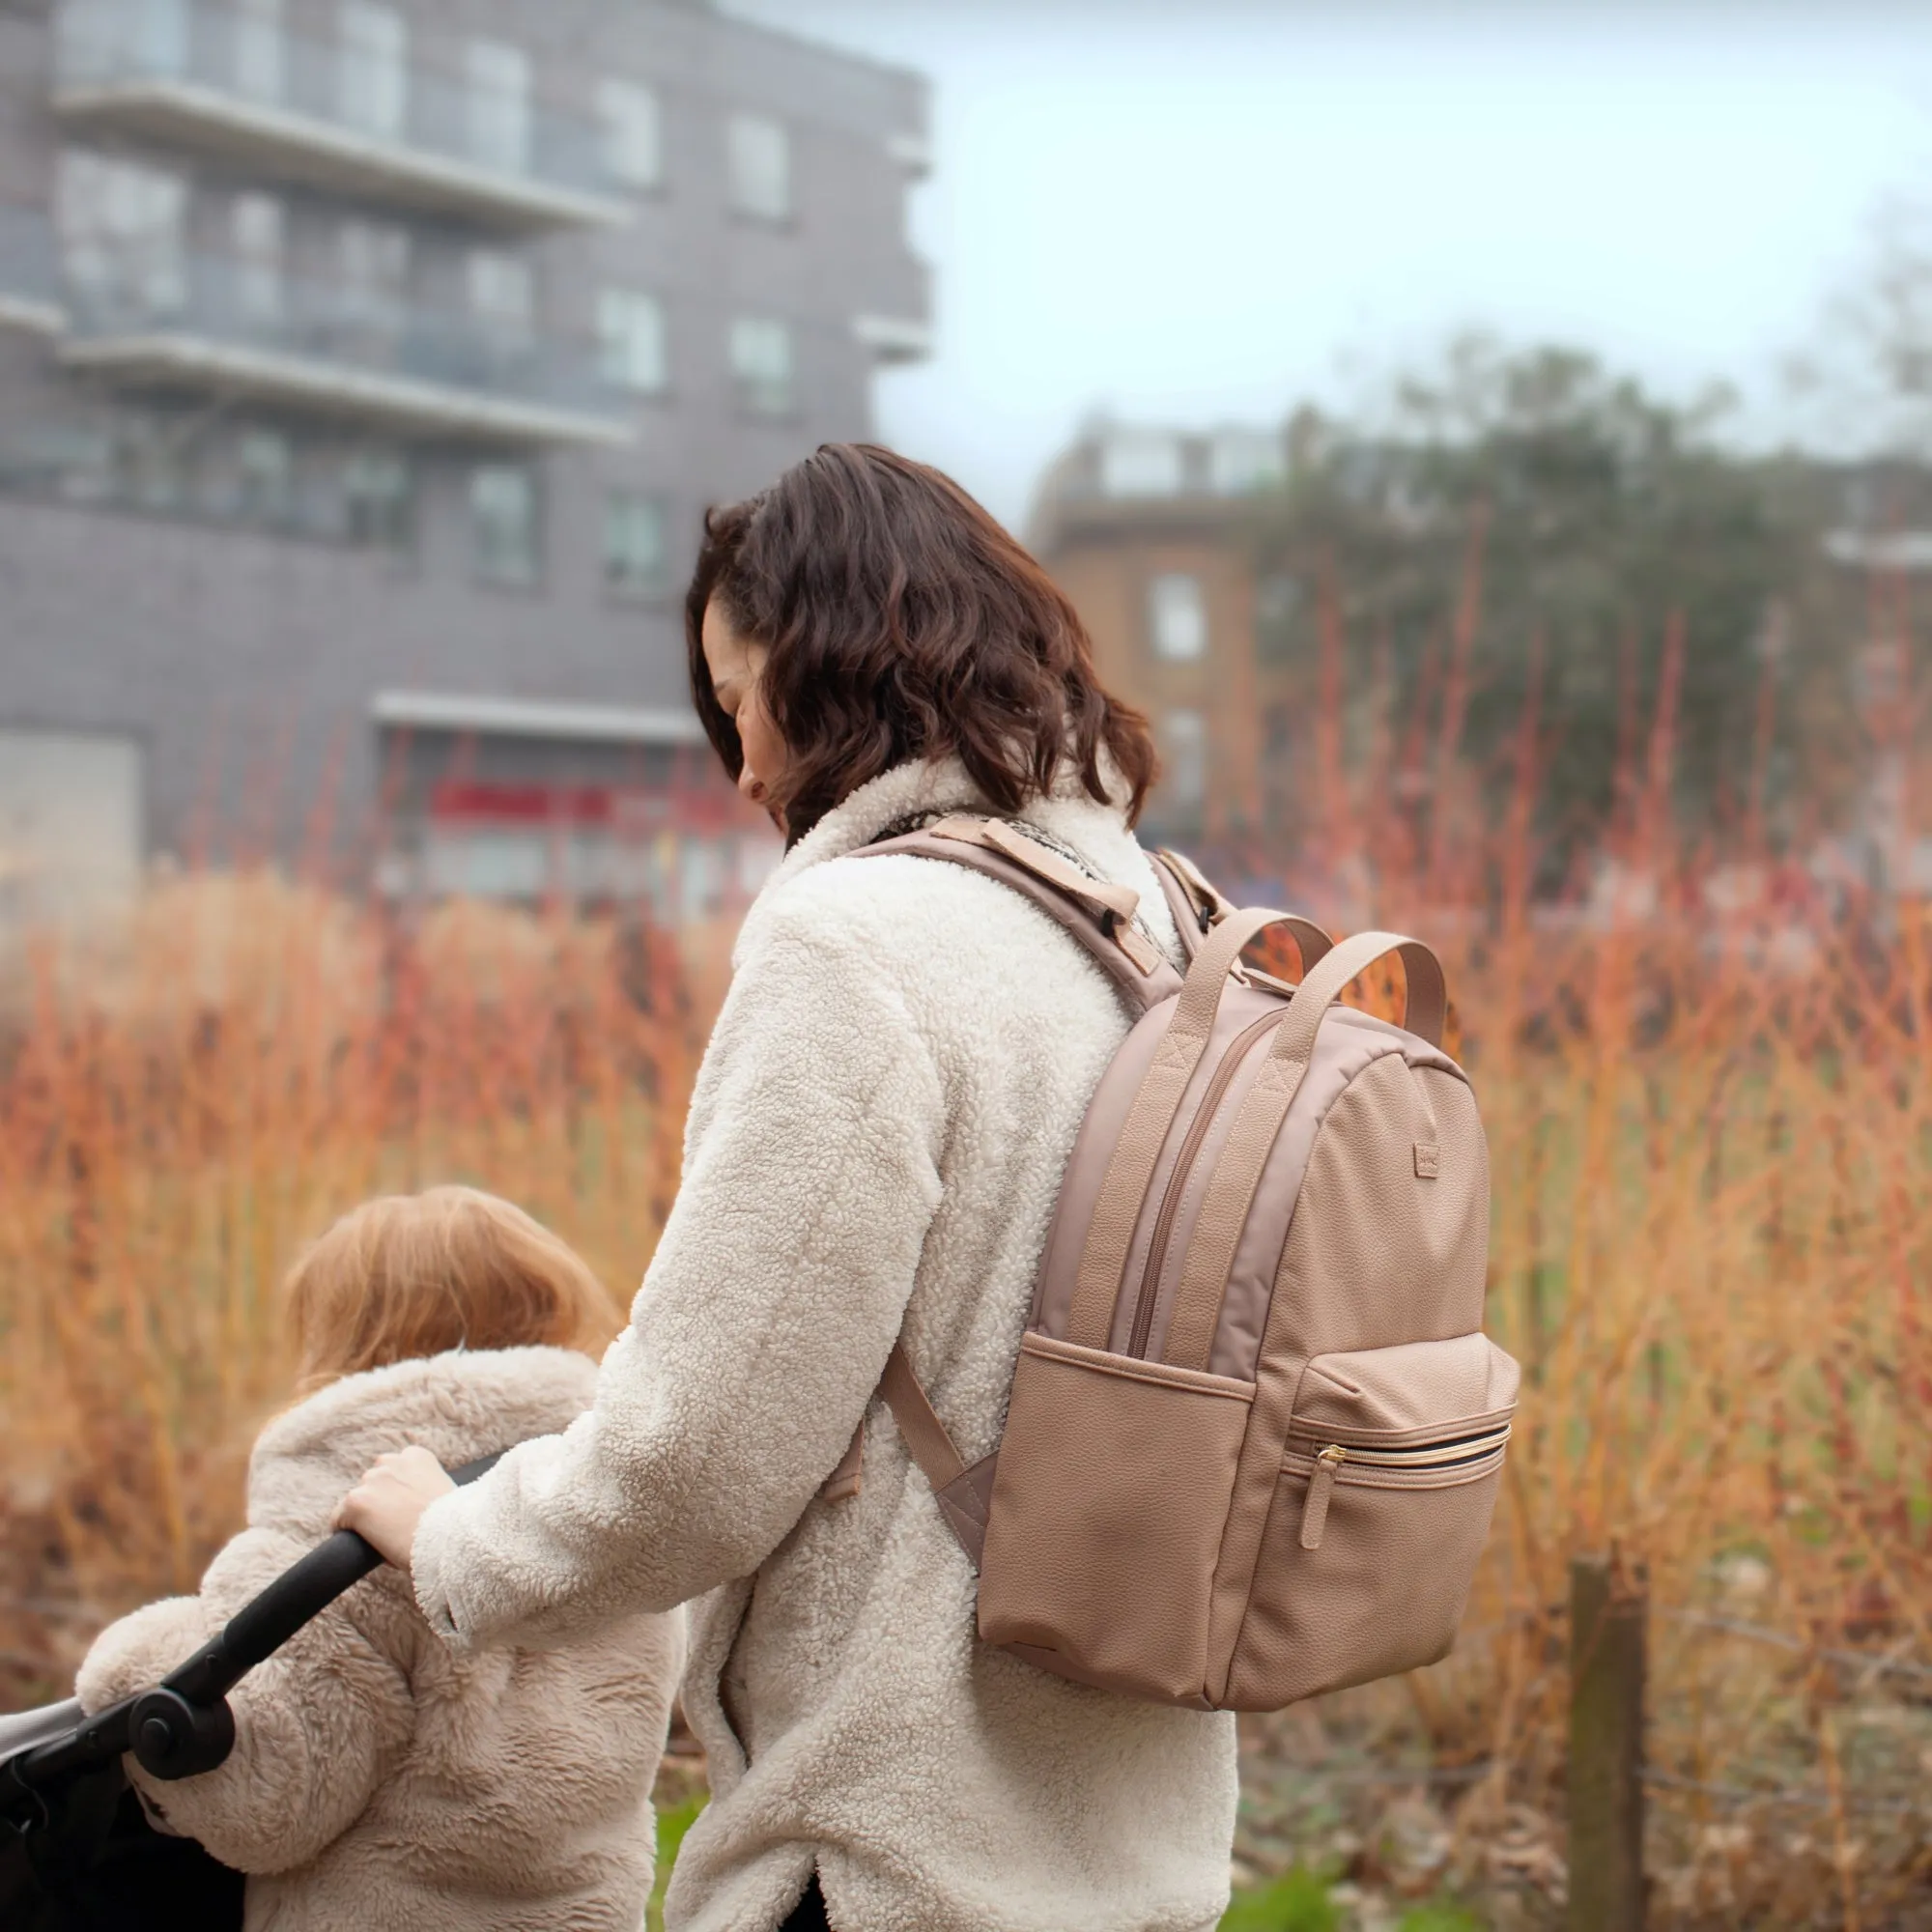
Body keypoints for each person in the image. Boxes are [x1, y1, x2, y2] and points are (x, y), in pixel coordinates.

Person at [337, 445, 1239, 1932]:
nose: (742, 769)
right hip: (1131, 1847)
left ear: (830, 673)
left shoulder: (858, 944)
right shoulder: (1161, 916)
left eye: (739, 703)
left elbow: (694, 1461)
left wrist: (451, 1538)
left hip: (894, 1854)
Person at [78, 1186, 686, 1932]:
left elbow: (271, 1800)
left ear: (344, 1338)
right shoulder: (593, 1508)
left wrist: (136, 1664)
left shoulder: (342, 1527)